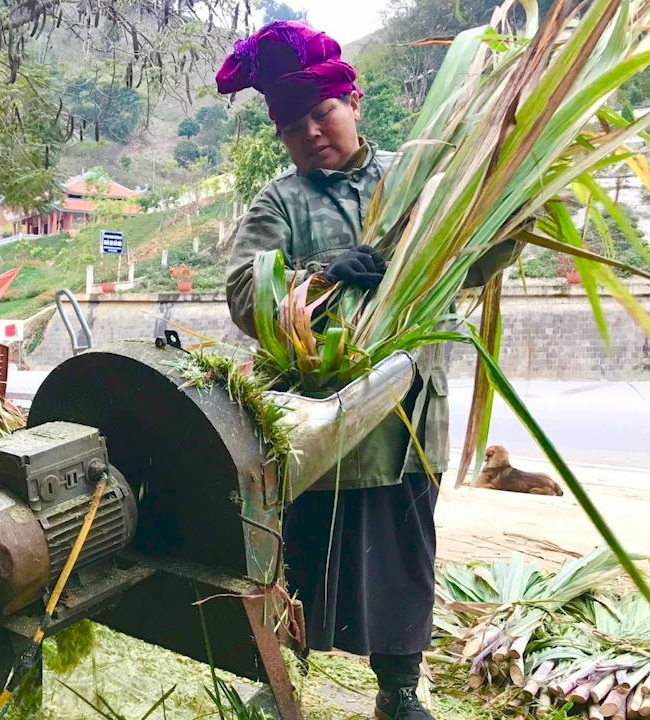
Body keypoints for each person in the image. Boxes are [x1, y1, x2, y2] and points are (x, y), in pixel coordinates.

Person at [216, 20, 520, 720]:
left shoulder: (418, 180)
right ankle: (275, 681)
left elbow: (467, 260)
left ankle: (399, 692)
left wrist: (512, 215)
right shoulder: (279, 202)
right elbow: (242, 293)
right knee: (292, 561)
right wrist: (322, 275)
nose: (312, 134)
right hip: (315, 423)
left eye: (322, 114)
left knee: (404, 560)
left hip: (407, 418)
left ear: (353, 103)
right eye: (294, 127)